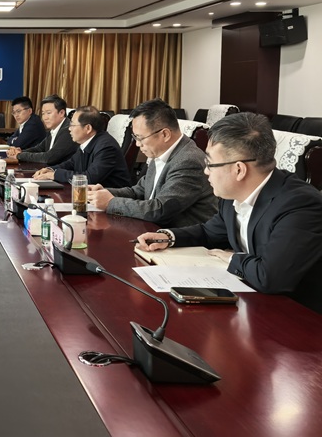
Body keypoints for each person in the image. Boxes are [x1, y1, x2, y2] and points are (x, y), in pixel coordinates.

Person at [136, 112, 322, 314]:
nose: (206, 171)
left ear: (239, 170)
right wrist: (168, 237)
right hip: (251, 301)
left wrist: (232, 258)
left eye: (210, 164)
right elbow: (209, 233)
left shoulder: (299, 205)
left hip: (298, 316)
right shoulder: (231, 195)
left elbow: (270, 277)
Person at [87, 99, 217, 227]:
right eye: (135, 137)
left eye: (140, 138)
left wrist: (111, 203)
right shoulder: (161, 152)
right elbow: (139, 191)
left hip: (182, 236)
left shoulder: (188, 161)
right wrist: (103, 193)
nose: (137, 144)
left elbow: (160, 210)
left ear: (165, 134)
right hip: (154, 230)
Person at [33, 106, 131, 188]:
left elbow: (89, 178)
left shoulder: (106, 147)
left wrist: (55, 175)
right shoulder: (87, 141)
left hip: (111, 198)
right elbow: (71, 163)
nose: (69, 129)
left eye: (72, 125)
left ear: (88, 128)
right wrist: (51, 169)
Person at [5, 94, 76, 166]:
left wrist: (19, 155)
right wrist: (19, 151)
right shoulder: (53, 129)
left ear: (61, 113)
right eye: (43, 113)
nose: (45, 118)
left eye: (48, 113)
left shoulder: (68, 131)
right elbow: (39, 148)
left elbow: (48, 158)